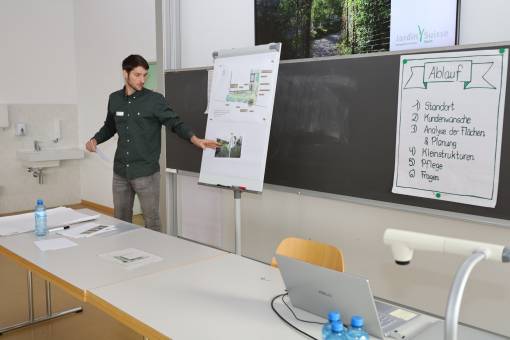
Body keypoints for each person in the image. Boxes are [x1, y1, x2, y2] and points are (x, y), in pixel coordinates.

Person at [85, 54, 218, 232]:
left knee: (152, 221)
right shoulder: (114, 99)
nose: (143, 79)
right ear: (125, 74)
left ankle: (157, 258)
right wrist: (95, 139)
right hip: (120, 173)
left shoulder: (154, 100)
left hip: (146, 173)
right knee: (121, 221)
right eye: (137, 75)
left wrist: (194, 139)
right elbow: (110, 127)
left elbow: (175, 122)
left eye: (145, 75)